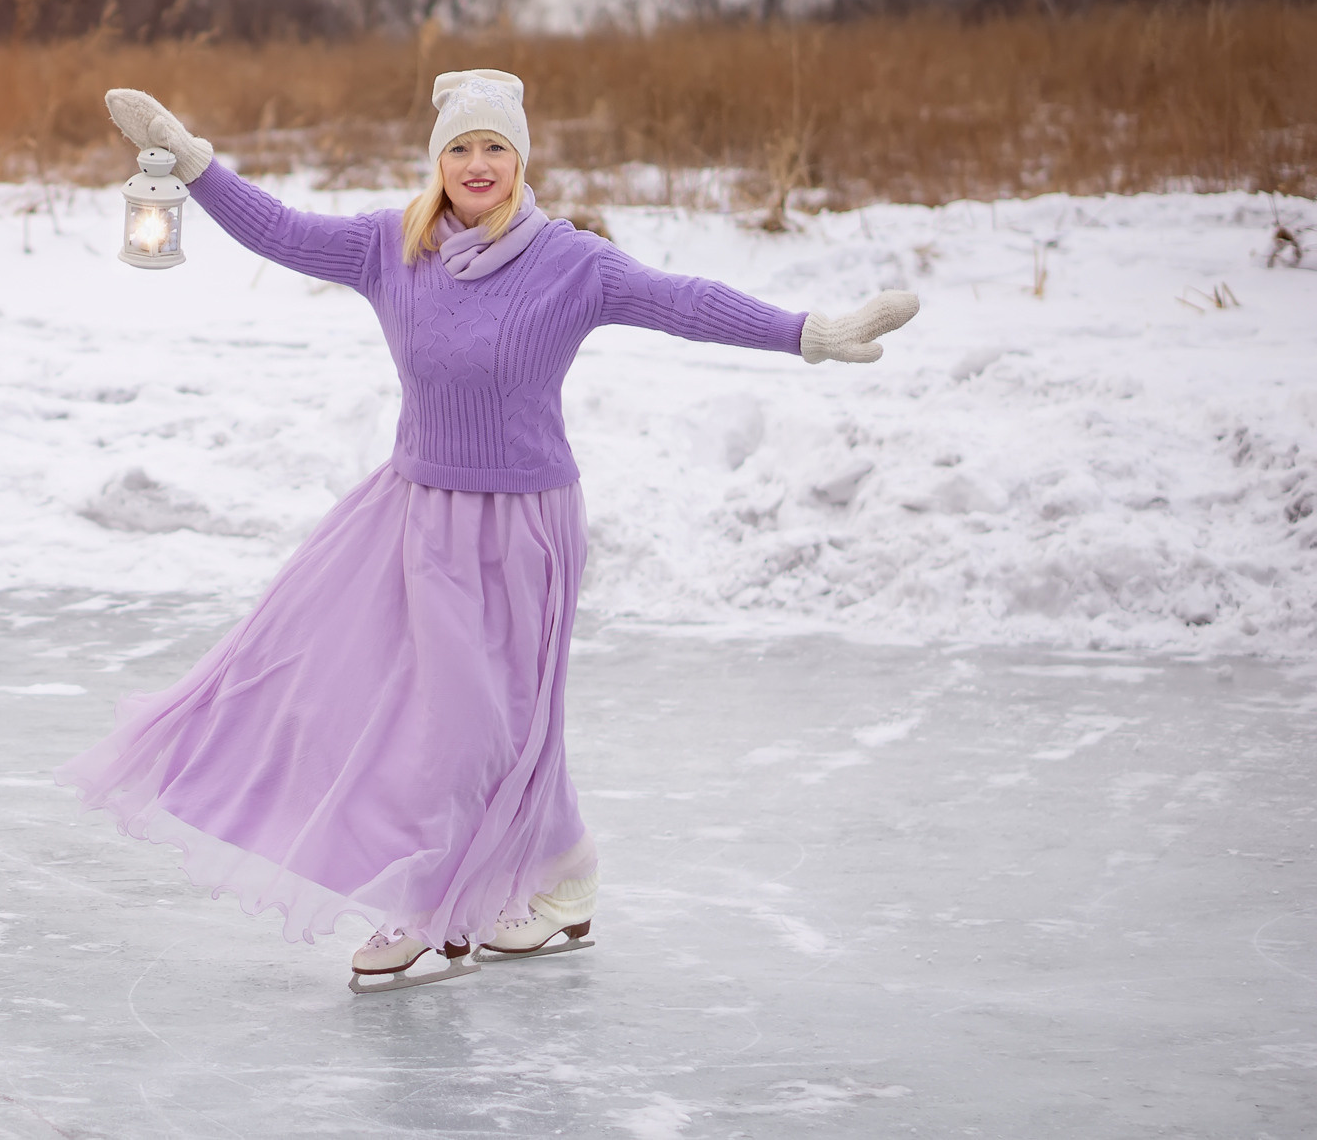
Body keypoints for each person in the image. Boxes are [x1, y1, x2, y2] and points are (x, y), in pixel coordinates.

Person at [57, 70, 918, 993]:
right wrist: (191, 163)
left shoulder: (571, 264)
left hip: (525, 525)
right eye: (460, 147)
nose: (477, 163)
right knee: (425, 717)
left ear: (521, 159)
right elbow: (283, 232)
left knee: (490, 730)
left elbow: (686, 303)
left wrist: (807, 333)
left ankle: (438, 905)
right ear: (438, 160)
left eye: (495, 147)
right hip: (415, 512)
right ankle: (548, 878)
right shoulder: (394, 247)